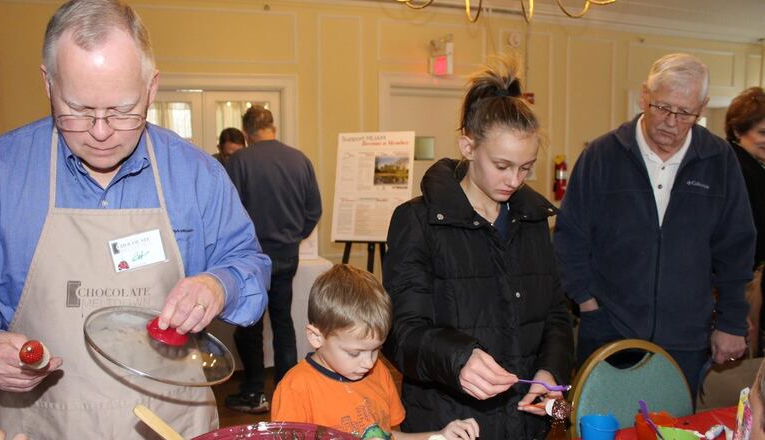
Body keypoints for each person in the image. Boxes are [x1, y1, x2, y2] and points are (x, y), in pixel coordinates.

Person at [0, 1, 271, 438]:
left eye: (122, 110)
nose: (99, 131)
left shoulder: (197, 174)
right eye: (77, 109)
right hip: (45, 424)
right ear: (47, 83)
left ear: (152, 88)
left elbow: (249, 262)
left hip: (174, 423)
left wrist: (218, 284)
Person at [382, 56, 574, 439]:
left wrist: (549, 372)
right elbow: (400, 332)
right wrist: (458, 359)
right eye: (502, 165)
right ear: (468, 147)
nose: (514, 180)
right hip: (446, 423)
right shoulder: (418, 221)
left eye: (525, 167)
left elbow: (555, 314)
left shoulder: (533, 220)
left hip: (522, 423)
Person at [553, 53, 755, 400]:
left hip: (687, 337)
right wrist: (587, 303)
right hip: (608, 329)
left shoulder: (720, 160)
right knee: (602, 427)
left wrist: (731, 322)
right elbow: (570, 238)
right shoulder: (603, 155)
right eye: (662, 107)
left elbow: (736, 247)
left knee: (672, 429)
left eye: (685, 113)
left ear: (702, 108)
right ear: (644, 96)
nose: (672, 123)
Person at [272, 264, 480, 440]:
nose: (368, 363)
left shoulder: (378, 373)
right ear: (316, 337)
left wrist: (438, 435)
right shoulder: (295, 389)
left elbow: (388, 434)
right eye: (355, 353)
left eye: (376, 350)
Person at [226, 105, 322, 413]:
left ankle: (254, 391)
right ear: (273, 128)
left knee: (250, 324)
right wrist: (295, 236)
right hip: (286, 255)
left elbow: (227, 212)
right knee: (283, 323)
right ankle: (286, 391)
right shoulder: (299, 160)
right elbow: (313, 209)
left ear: (246, 133)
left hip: (251, 257)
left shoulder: (239, 162)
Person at [725, 87, 765, 357]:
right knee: (743, 351)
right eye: (762, 133)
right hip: (743, 278)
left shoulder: (753, 165)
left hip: (752, 275)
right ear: (738, 131)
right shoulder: (737, 167)